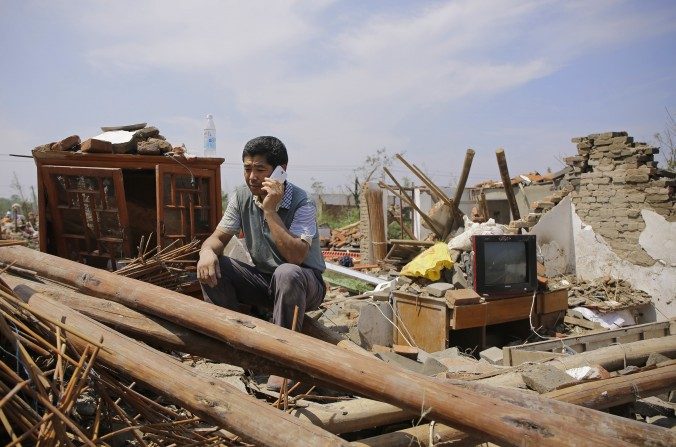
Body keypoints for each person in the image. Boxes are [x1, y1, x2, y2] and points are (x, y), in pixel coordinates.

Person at [197, 136, 326, 388]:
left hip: (303, 284)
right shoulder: (242, 196)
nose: (252, 177)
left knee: (287, 273)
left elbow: (296, 257)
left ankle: (282, 360)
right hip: (265, 283)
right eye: (247, 168)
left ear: (281, 171)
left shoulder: (303, 202)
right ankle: (236, 347)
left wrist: (270, 211)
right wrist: (206, 252)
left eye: (260, 169)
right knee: (216, 265)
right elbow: (217, 238)